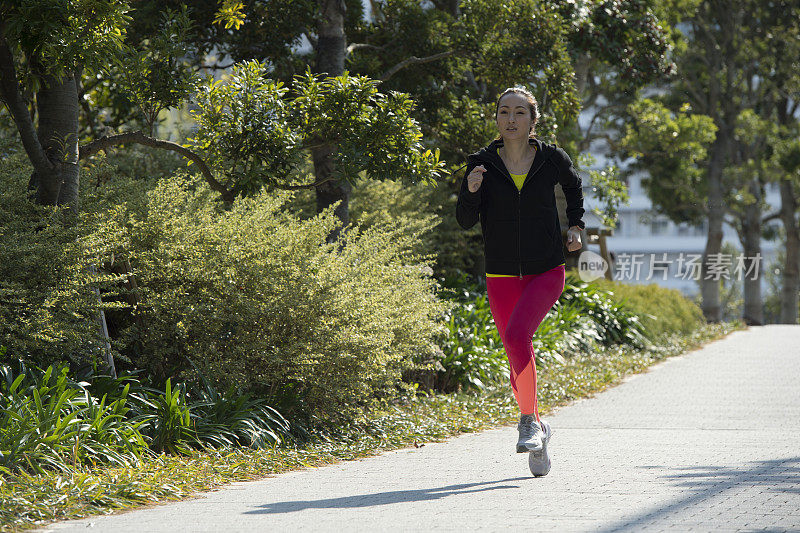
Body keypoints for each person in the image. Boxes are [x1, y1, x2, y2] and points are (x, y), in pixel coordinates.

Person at [455, 86, 585, 476]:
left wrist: (576, 225)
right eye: (504, 112)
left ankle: (527, 421)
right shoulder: (481, 164)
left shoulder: (550, 158)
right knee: (515, 354)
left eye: (519, 113)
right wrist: (472, 191)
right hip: (501, 272)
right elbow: (464, 219)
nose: (510, 119)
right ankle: (540, 428)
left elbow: (574, 186)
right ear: (496, 119)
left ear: (532, 121)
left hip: (546, 269)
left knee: (516, 338)